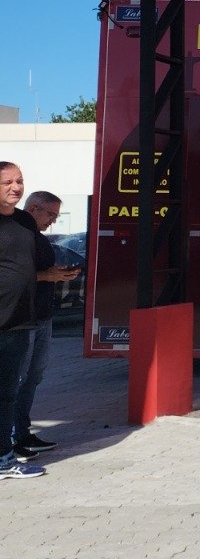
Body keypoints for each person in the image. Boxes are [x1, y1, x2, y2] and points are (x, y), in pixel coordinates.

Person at [14, 190, 77, 463]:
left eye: (56, 216)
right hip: (21, 318)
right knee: (16, 379)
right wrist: (45, 276)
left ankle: (23, 433)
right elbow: (10, 274)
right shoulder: (15, 234)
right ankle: (11, 439)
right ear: (33, 208)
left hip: (42, 316)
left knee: (33, 377)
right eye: (50, 214)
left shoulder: (39, 238)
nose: (53, 220)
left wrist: (57, 274)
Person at [0, 162, 44, 478]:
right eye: (7, 182)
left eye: (20, 181)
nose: (16, 187)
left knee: (7, 393)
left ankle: (3, 456)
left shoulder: (25, 221)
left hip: (18, 322)